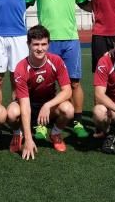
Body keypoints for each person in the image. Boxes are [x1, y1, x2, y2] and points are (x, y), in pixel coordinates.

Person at [25, 0, 90, 138]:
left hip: (70, 39)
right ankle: (42, 123)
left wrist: (105, 7)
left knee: (74, 83)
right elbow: (24, 4)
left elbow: (84, 3)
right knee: (45, 84)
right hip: (46, 43)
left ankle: (77, 121)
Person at [7, 25, 75, 160]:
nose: (40, 48)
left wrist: (48, 105)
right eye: (36, 44)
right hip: (28, 103)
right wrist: (29, 139)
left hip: (48, 104)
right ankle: (17, 133)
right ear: (28, 45)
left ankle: (55, 133)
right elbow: (25, 105)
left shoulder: (56, 61)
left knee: (68, 109)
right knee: (11, 112)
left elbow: (67, 91)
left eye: (44, 44)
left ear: (49, 44)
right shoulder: (21, 68)